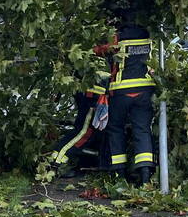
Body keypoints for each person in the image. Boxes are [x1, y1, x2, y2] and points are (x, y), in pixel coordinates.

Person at [97, 16, 156, 185]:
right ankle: (145, 175)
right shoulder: (147, 32)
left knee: (115, 129)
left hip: (121, 91)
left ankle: (119, 173)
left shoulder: (117, 36)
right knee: (143, 129)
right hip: (144, 90)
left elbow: (101, 50)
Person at [51, 84, 108, 177]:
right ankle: (56, 165)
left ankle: (57, 162)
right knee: (83, 133)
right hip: (94, 97)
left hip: (92, 94)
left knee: (82, 131)